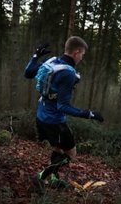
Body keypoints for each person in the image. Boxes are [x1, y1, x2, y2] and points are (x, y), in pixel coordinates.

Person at [24, 36, 104, 193]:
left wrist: (36, 55)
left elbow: (28, 73)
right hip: (55, 122)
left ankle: (55, 180)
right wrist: (90, 114)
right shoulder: (68, 74)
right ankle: (40, 177)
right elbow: (63, 106)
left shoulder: (51, 62)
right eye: (82, 54)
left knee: (58, 151)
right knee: (71, 154)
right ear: (76, 52)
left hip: (41, 116)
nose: (82, 58)